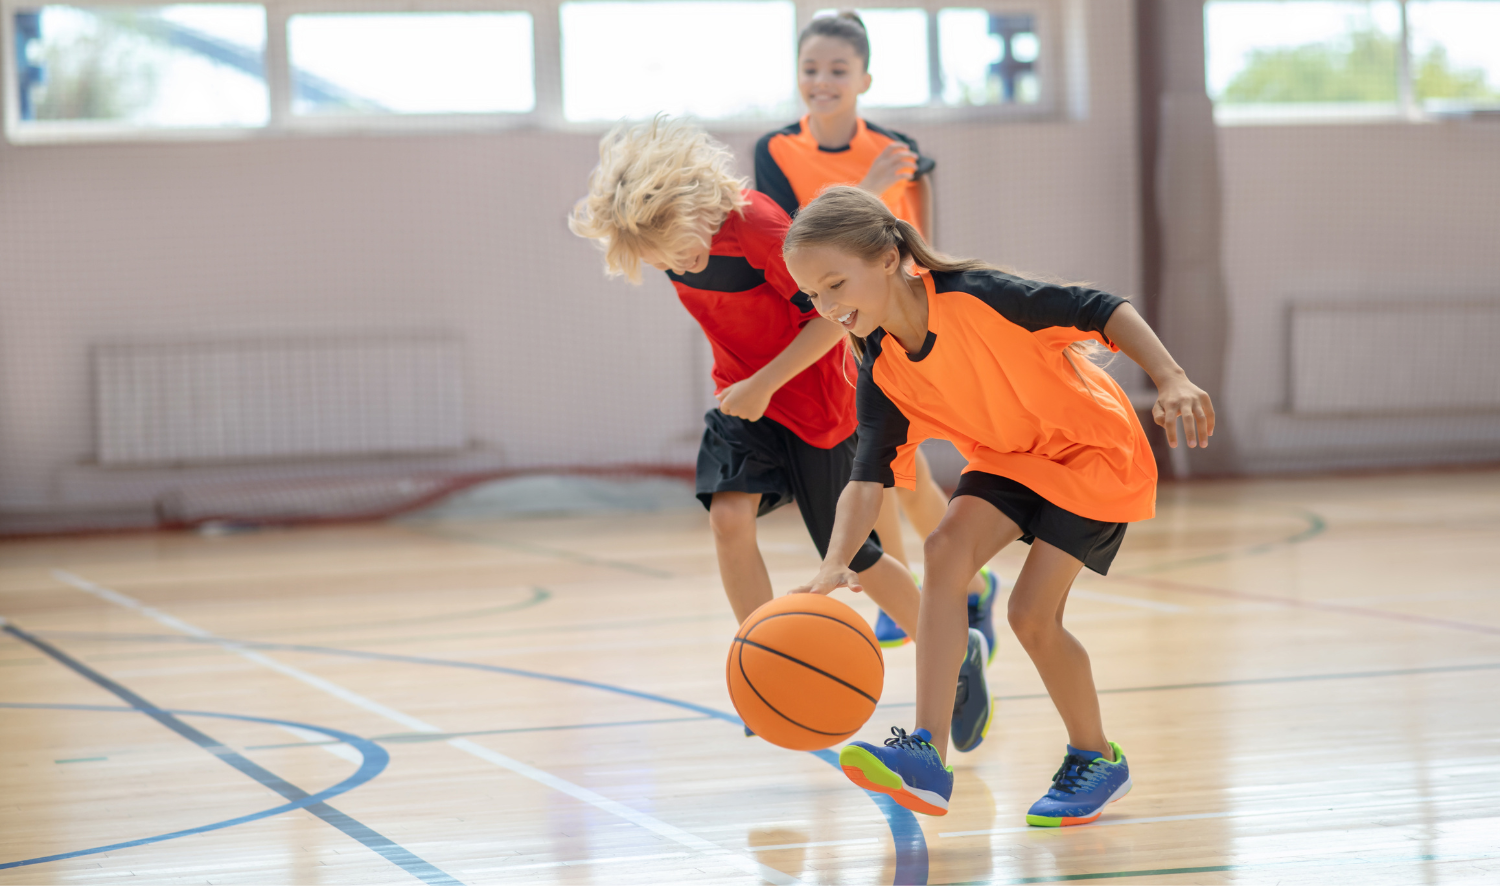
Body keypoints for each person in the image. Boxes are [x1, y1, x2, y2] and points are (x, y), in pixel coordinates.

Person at [784, 186, 1215, 824]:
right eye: (813, 296)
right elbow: (865, 479)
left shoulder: (979, 297)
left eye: (835, 285)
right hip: (1009, 457)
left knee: (1031, 617)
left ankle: (1096, 758)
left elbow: (1101, 308)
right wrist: (834, 564)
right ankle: (926, 753)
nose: (827, 306)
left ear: (885, 258)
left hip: (1092, 452)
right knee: (944, 548)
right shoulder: (883, 368)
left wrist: (1171, 376)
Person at [568, 120, 993, 750]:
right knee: (727, 518)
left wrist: (766, 382)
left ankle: (958, 654)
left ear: (695, 204)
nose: (678, 264)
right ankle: (763, 657)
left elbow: (832, 324)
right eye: (663, 259)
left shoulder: (762, 228)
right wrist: (752, 388)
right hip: (745, 398)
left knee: (851, 556)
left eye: (680, 249)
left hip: (817, 402)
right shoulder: (664, 239)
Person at [755, 10, 998, 659]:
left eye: (838, 69)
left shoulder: (900, 150)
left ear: (865, 77)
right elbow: (788, 247)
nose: (822, 81)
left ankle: (947, 589)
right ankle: (958, 587)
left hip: (886, 335)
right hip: (824, 332)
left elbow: (918, 249)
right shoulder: (776, 150)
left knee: (893, 473)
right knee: (893, 472)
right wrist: (865, 190)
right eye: (811, 69)